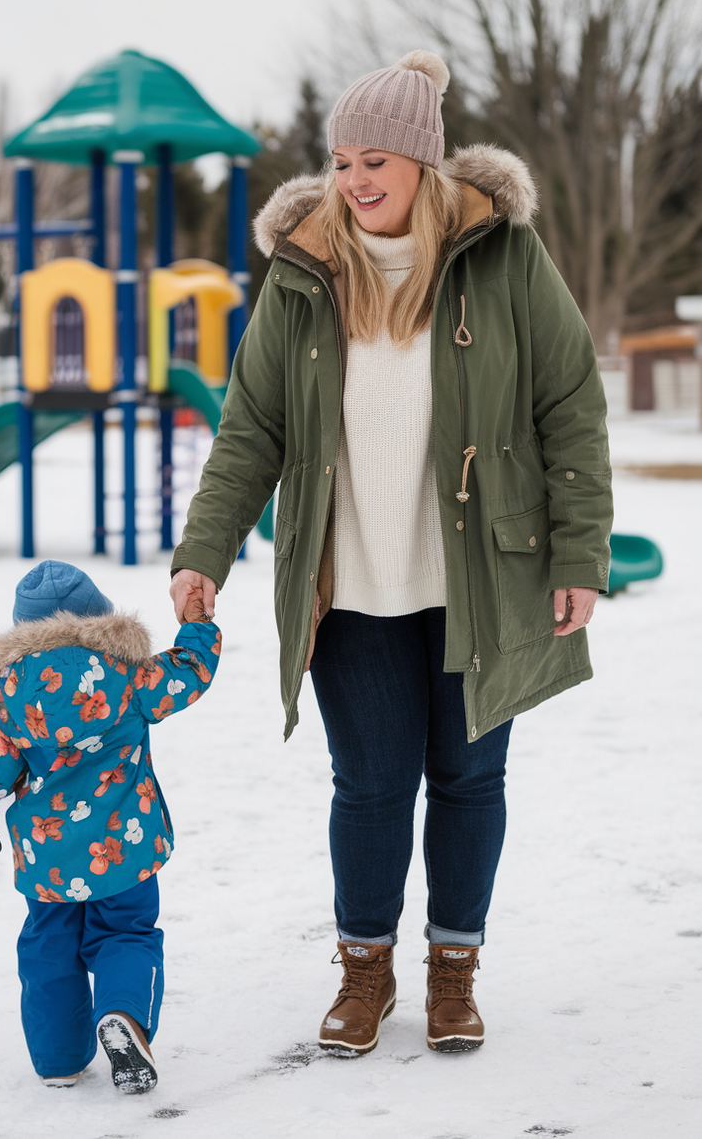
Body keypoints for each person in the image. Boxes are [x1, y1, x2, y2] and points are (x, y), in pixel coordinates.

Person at [170, 51, 612, 1056]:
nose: (354, 180)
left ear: (420, 161)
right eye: (339, 161)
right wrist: (207, 547)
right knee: (368, 787)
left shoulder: (502, 256)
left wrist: (577, 554)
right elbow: (251, 431)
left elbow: (567, 406)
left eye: (374, 159)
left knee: (468, 781)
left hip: (483, 581)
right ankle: (362, 973)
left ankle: (451, 973)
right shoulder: (300, 272)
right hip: (349, 585)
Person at [0, 560, 221, 1090]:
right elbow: (189, 671)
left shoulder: (9, 690)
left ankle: (58, 1060)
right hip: (126, 847)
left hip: (47, 858)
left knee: (48, 947)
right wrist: (198, 623)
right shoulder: (128, 673)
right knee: (125, 933)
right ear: (99, 616)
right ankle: (122, 1017)